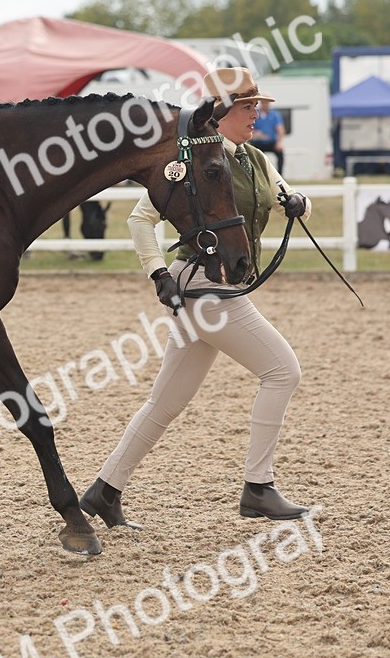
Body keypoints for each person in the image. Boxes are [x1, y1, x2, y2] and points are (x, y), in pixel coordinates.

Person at [79, 67, 313, 528]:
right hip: (205, 285)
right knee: (282, 371)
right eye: (249, 107)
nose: (258, 115)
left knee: (165, 404)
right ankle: (258, 488)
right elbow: (139, 219)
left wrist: (297, 201)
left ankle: (104, 491)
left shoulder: (257, 160)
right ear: (222, 113)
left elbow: (285, 193)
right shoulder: (191, 163)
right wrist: (157, 273)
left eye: (258, 106)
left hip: (218, 286)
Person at [251, 99, 285, 175]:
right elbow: (250, 127)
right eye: (263, 103)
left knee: (280, 153)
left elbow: (280, 129)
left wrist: (279, 142)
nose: (265, 104)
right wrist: (255, 133)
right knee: (253, 154)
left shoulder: (275, 115)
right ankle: (257, 175)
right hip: (258, 142)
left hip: (271, 142)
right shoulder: (256, 114)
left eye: (266, 103)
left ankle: (280, 175)